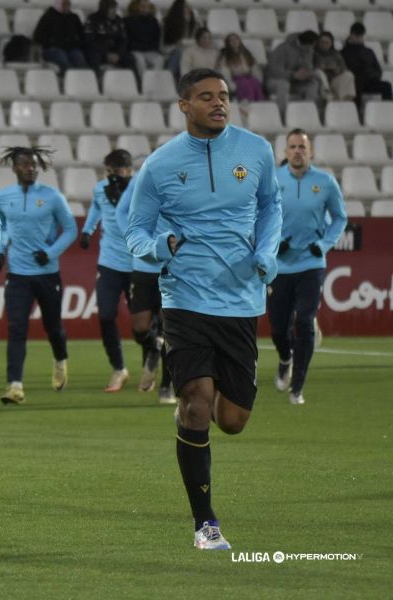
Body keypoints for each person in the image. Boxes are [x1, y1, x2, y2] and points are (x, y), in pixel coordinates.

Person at [125, 68, 282, 550]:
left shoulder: (256, 150)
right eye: (207, 97)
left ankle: (203, 404)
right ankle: (205, 523)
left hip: (240, 298)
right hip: (185, 297)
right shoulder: (160, 164)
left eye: (224, 96)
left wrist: (267, 252)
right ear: (184, 105)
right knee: (196, 400)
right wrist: (160, 247)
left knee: (232, 420)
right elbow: (135, 232)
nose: (219, 103)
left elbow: (270, 207)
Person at [269, 129, 346, 405]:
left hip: (311, 265)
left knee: (304, 321)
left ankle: (297, 387)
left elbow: (339, 218)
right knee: (278, 329)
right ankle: (285, 358)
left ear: (310, 151)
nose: (297, 151)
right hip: (280, 266)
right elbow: (260, 215)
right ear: (285, 152)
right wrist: (274, 243)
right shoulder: (274, 180)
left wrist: (323, 245)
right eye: (292, 147)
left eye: (302, 147)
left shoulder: (325, 182)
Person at [0, 146, 76, 405]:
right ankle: (15, 386)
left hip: (47, 275)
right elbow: (0, 227)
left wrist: (50, 253)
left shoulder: (53, 197)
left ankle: (60, 359)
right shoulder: (3, 197)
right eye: (24, 164)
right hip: (17, 274)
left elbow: (71, 229)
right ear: (14, 168)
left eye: (33, 165)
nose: (30, 168)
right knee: (16, 328)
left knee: (53, 328)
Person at [114, 172, 175, 404]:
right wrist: (131, 236)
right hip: (143, 265)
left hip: (171, 267)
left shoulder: (183, 178)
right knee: (140, 328)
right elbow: (121, 211)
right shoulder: (140, 180)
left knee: (169, 329)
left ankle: (166, 387)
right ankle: (153, 346)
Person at [80, 149, 135, 393]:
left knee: (142, 323)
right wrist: (87, 231)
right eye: (109, 171)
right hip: (109, 262)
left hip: (137, 264)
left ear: (129, 170)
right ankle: (118, 368)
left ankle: (151, 358)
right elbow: (96, 208)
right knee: (105, 316)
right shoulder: (100, 189)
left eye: (118, 171)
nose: (112, 176)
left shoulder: (139, 188)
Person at [265, 31, 322, 114]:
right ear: (306, 44)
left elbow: (307, 67)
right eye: (312, 46)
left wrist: (306, 73)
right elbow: (274, 71)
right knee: (284, 84)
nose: (312, 48)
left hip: (295, 82)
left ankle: (307, 113)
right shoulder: (282, 49)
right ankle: (283, 115)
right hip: (274, 81)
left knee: (313, 84)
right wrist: (293, 75)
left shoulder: (309, 51)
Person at [341, 22, 393, 108]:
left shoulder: (369, 52)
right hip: (354, 82)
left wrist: (371, 75)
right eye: (356, 35)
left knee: (386, 86)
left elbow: (378, 70)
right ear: (351, 34)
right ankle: (356, 110)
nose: (358, 38)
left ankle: (388, 110)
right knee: (358, 79)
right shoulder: (344, 52)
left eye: (360, 35)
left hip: (369, 81)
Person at [33, 0, 89, 75]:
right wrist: (52, 42)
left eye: (68, 4)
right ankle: (70, 78)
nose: (67, 6)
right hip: (52, 48)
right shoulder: (48, 17)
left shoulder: (74, 17)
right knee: (63, 60)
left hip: (71, 48)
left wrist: (76, 44)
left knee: (79, 60)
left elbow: (82, 35)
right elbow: (37, 36)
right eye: (64, 4)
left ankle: (81, 79)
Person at [84, 0, 136, 75]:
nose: (115, 11)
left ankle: (134, 80)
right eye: (112, 9)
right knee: (94, 57)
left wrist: (118, 53)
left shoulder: (118, 20)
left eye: (115, 9)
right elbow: (90, 41)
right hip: (99, 51)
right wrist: (106, 54)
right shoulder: (92, 19)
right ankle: (96, 79)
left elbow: (124, 40)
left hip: (115, 52)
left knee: (130, 58)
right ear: (105, 9)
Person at [216, 34, 264, 102]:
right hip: (236, 78)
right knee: (245, 84)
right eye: (231, 40)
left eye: (236, 39)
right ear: (228, 43)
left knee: (254, 82)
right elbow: (225, 70)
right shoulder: (225, 56)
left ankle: (257, 104)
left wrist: (257, 78)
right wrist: (230, 83)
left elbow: (253, 65)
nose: (234, 41)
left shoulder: (246, 53)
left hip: (248, 77)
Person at [162, 0, 200, 81]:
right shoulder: (168, 23)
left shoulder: (195, 24)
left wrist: (183, 43)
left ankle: (172, 78)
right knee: (179, 53)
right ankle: (170, 78)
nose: (189, 10)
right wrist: (176, 47)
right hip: (172, 53)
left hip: (190, 52)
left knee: (184, 53)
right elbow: (164, 46)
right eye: (185, 7)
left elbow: (198, 41)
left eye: (189, 7)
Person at [313, 32, 356, 102]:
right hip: (320, 80)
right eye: (322, 42)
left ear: (331, 43)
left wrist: (336, 69)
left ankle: (345, 99)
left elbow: (343, 67)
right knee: (318, 72)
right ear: (318, 42)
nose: (324, 45)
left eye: (327, 43)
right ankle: (327, 92)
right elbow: (310, 67)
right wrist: (321, 67)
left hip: (334, 78)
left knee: (348, 74)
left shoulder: (336, 53)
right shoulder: (313, 53)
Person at [125, 0, 164, 74]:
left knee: (159, 60)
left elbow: (156, 38)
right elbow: (128, 39)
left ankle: (154, 79)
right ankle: (144, 80)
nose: (145, 10)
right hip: (135, 50)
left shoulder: (154, 21)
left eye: (147, 7)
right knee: (140, 61)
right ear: (137, 7)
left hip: (150, 50)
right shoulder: (128, 20)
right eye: (143, 7)